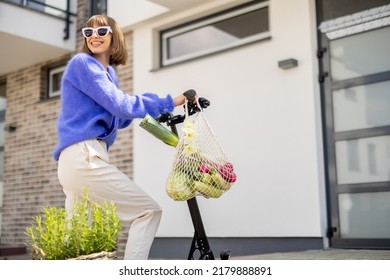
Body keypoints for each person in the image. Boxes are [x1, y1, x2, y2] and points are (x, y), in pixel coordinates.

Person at [53, 15, 187, 260]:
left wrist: (154, 117)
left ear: (114, 36)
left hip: (80, 158)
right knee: (147, 212)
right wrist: (170, 102)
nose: (94, 36)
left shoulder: (107, 74)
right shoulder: (83, 63)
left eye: (102, 31)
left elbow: (120, 116)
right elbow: (122, 106)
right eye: (89, 32)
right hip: (84, 156)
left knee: (77, 241)